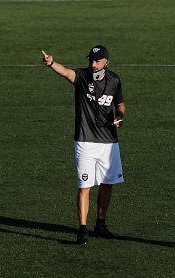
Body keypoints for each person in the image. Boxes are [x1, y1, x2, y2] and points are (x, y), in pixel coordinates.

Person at [41, 45, 126, 244]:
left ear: (107, 62)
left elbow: (120, 104)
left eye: (97, 61)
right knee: (85, 185)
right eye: (91, 61)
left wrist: (120, 116)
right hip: (85, 141)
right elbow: (67, 73)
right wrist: (52, 63)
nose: (93, 64)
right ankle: (82, 230)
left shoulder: (114, 80)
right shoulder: (82, 76)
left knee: (107, 184)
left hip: (109, 143)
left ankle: (101, 225)